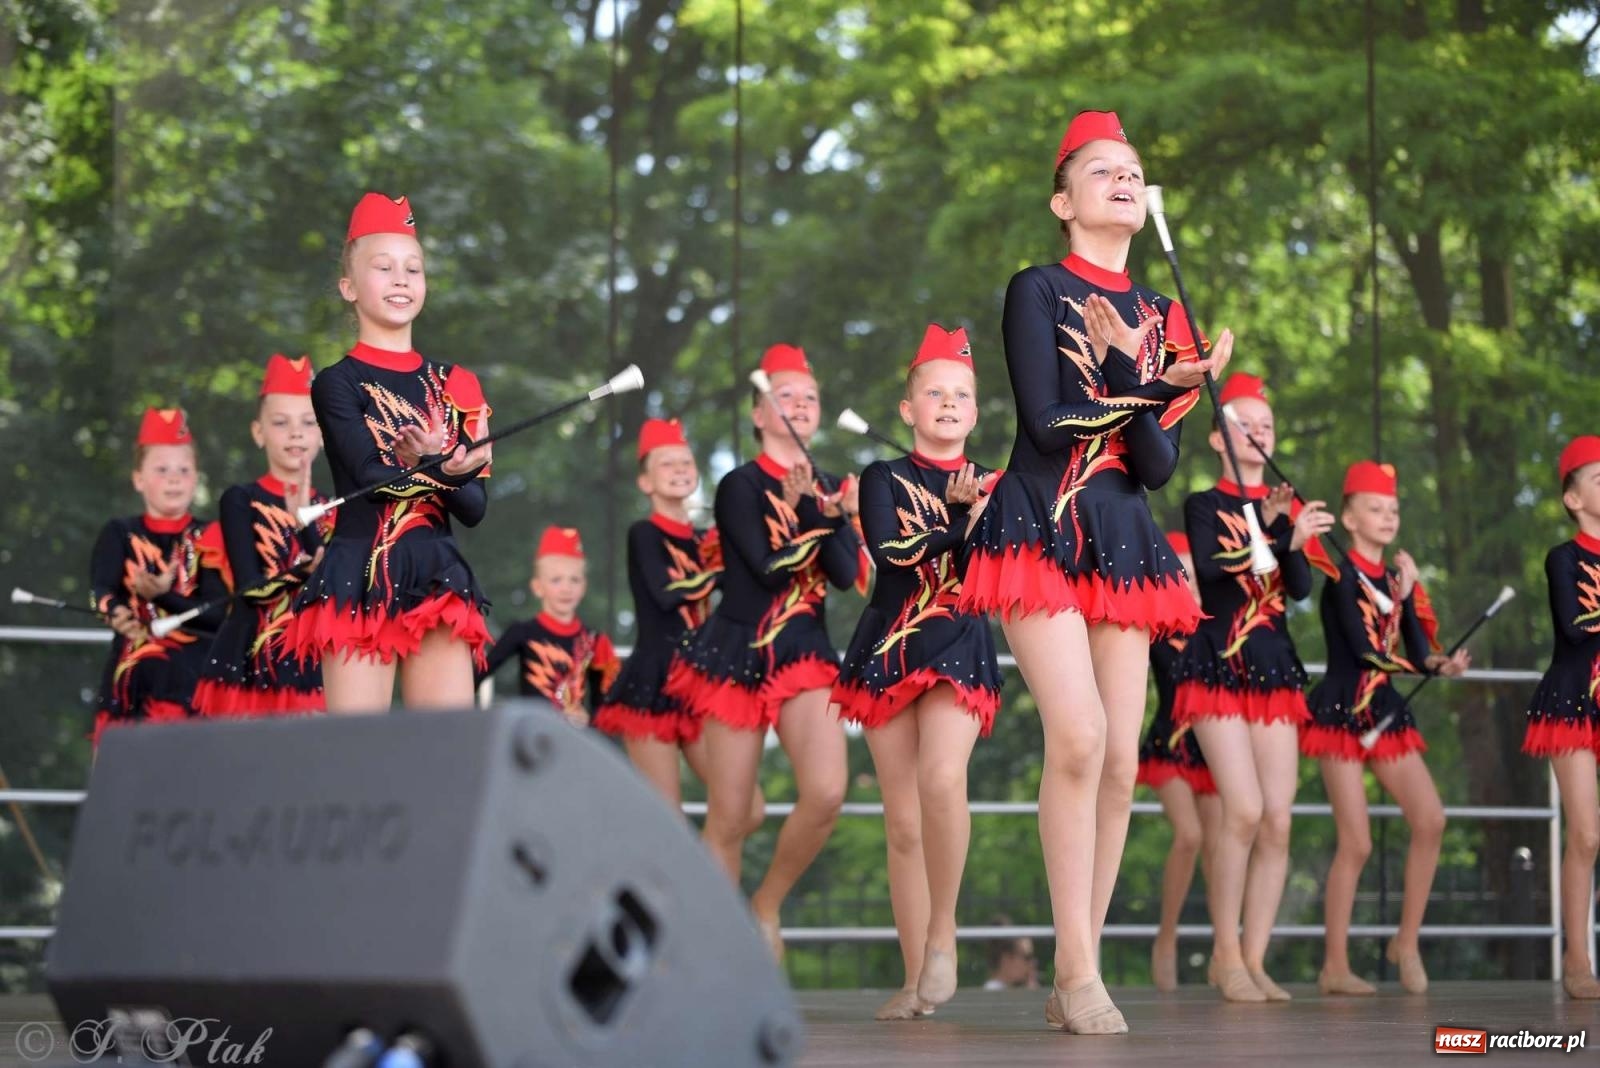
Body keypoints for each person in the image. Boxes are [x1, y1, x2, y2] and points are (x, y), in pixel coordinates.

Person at [957, 109, 1227, 1034]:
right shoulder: (1035, 288)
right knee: (1075, 736)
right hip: (1037, 523)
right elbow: (1045, 425)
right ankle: (1075, 971)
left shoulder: (1164, 317)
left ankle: (1083, 958)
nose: (1124, 179)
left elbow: (1155, 467)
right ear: (1062, 199)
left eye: (1134, 170)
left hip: (1122, 536)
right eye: (1103, 169)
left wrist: (1155, 376)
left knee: (1118, 760)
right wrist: (1148, 382)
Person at [666, 343, 861, 961]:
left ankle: (766, 903)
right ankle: (713, 956)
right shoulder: (738, 486)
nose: (800, 405)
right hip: (738, 653)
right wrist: (814, 511)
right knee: (728, 817)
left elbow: (846, 571)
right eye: (786, 396)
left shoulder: (831, 485)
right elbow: (765, 570)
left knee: (828, 790)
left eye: (810, 397)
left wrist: (830, 513)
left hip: (804, 652)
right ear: (759, 413)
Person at [833, 324, 1003, 1020]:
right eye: (932, 392)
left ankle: (943, 934)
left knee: (941, 778)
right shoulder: (883, 478)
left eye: (960, 393)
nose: (947, 402)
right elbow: (895, 553)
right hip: (889, 644)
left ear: (976, 408)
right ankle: (914, 979)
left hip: (959, 640)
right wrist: (962, 523)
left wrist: (983, 517)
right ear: (908, 409)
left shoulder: (998, 485)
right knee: (902, 822)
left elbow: (1002, 569)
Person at [285, 193, 494, 713]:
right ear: (349, 287)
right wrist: (441, 467)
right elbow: (369, 477)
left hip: (437, 579)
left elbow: (474, 509)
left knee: (447, 755)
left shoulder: (456, 384)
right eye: (383, 267)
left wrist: (444, 470)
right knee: (356, 762)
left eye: (413, 269)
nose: (401, 279)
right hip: (360, 575)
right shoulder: (337, 383)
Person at [1170, 372, 1334, 1002]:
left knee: (1278, 821)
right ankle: (1226, 953)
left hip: (1271, 666)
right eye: (1246, 425)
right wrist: (1270, 530)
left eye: (1266, 426)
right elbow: (1212, 571)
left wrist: (1292, 535)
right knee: (1241, 809)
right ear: (1218, 437)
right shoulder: (1203, 504)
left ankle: (1256, 958)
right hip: (1215, 666)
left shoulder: (1282, 505)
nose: (1260, 433)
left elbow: (1295, 587)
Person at [1302, 460, 1469, 995]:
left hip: (1386, 711)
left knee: (1431, 819)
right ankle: (1334, 965)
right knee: (1356, 843)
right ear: (1349, 518)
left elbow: (1417, 650)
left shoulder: (1398, 580)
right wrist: (1402, 608)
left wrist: (1441, 664)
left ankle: (1407, 941)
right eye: (1375, 508)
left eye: (1393, 509)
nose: (1387, 516)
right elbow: (1365, 650)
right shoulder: (1340, 579)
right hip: (1341, 713)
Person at [594, 419, 766, 831]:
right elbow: (666, 594)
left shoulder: (710, 538)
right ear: (645, 482)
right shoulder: (644, 534)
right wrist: (722, 573)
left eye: (685, 463)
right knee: (665, 821)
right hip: (652, 684)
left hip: (702, 683)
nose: (679, 470)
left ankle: (706, 882)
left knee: (748, 809)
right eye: (667, 464)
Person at [193, 354, 331, 717]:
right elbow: (249, 589)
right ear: (259, 432)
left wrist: (304, 521)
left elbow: (333, 591)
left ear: (323, 433)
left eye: (308, 422)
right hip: (247, 667)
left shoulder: (334, 509)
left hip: (311, 668)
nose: (296, 433)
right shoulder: (241, 500)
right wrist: (299, 573)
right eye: (281, 423)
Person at [88, 408, 227, 743]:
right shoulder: (120, 533)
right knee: (121, 787)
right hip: (130, 684)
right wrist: (116, 613)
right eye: (161, 470)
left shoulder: (212, 535)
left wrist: (162, 597)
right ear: (138, 478)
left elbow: (219, 615)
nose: (174, 478)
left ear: (196, 478)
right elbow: (101, 591)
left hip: (193, 685)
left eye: (183, 469)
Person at [1522, 434, 1600, 999]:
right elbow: (1574, 628)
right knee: (1587, 835)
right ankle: (1577, 957)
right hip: (1572, 701)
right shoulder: (1564, 557)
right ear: (1572, 499)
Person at [1135, 531, 1220, 992]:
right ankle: (1166, 937)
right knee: (1188, 835)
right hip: (1169, 741)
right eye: (1182, 572)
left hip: (1213, 749)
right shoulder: (1155, 625)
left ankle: (1227, 948)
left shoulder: (1220, 628)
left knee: (1219, 846)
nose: (1191, 581)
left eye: (1196, 573)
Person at [479, 525, 621, 728]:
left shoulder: (594, 639)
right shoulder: (523, 632)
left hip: (574, 740)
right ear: (537, 586)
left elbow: (604, 705)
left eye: (574, 580)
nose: (566, 588)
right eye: (556, 580)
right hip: (531, 735)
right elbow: (479, 672)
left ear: (584, 586)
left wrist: (589, 720)